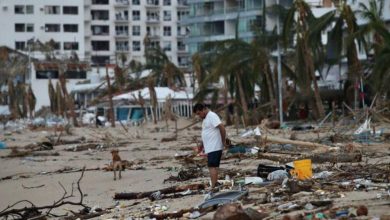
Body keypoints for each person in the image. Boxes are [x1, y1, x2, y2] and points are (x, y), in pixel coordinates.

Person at [193, 103, 226, 191]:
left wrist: (223, 141)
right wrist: (201, 146)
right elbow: (206, 133)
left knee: (212, 166)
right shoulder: (206, 119)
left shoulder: (212, 116)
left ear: (204, 109)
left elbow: (222, 127)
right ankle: (215, 184)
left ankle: (213, 187)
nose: (199, 116)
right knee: (212, 166)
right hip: (210, 147)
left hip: (215, 146)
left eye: (199, 113)